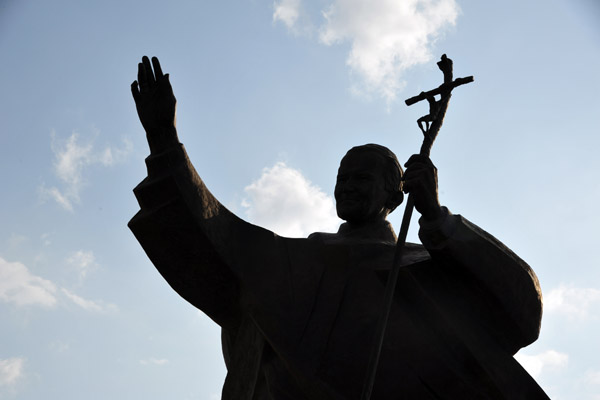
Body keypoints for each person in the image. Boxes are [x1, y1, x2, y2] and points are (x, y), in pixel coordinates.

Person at [129, 56, 549, 399]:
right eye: (342, 179)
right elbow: (216, 236)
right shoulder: (298, 263)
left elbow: (520, 308)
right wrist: (164, 141)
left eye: (361, 180)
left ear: (394, 195)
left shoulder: (424, 265)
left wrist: (436, 217)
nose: (347, 189)